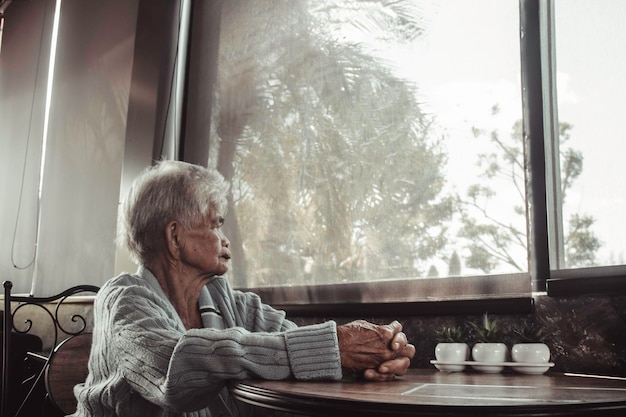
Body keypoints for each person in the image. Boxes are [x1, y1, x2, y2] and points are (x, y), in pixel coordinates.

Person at [71, 160, 415, 417]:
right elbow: (179, 367)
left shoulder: (229, 302)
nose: (225, 239)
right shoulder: (123, 300)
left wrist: (374, 356)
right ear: (175, 237)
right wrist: (333, 348)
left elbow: (292, 344)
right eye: (214, 224)